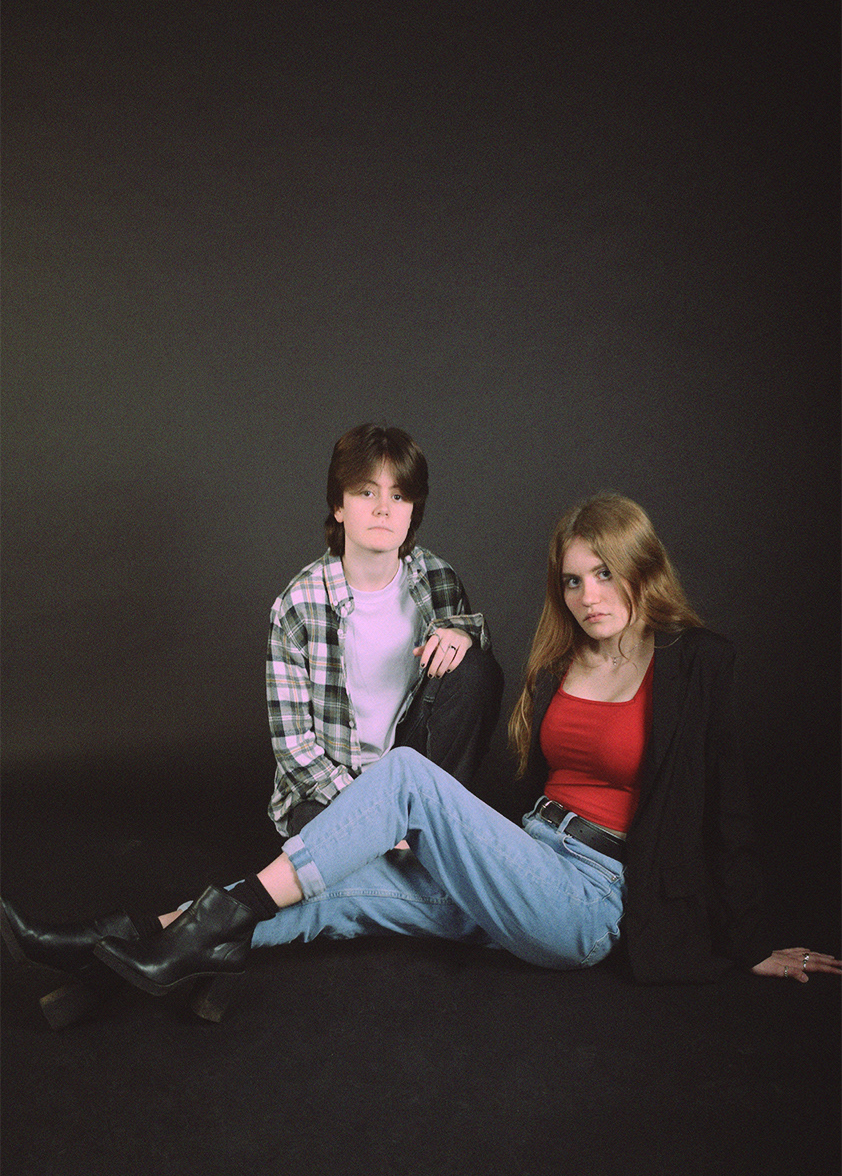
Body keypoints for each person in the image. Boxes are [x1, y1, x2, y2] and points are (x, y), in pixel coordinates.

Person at [3, 494, 838, 1027]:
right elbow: (525, 793)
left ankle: (183, 936)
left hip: (589, 900)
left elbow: (726, 809)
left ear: (642, 568)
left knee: (403, 776)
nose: (588, 596)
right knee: (335, 896)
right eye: (572, 580)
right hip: (525, 859)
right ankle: (113, 948)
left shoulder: (694, 664)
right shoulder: (560, 664)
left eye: (604, 575)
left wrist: (748, 941)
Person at [266, 422, 503, 837]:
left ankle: (431, 822)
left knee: (475, 669)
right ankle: (407, 841)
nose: (383, 509)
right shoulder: (298, 605)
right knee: (324, 835)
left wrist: (463, 635)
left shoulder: (438, 579)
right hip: (332, 788)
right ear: (339, 506)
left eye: (398, 495)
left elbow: (465, 702)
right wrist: (370, 811)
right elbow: (294, 747)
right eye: (366, 492)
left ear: (413, 510)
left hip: (411, 769)